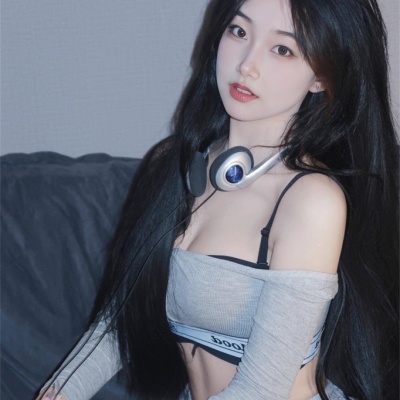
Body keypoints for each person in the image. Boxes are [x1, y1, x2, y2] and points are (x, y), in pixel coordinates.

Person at [38, 0, 399, 399]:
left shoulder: (312, 202)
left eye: (282, 49)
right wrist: (59, 391)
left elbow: (261, 389)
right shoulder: (174, 164)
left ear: (321, 77)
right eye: (239, 31)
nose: (247, 65)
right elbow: (120, 319)